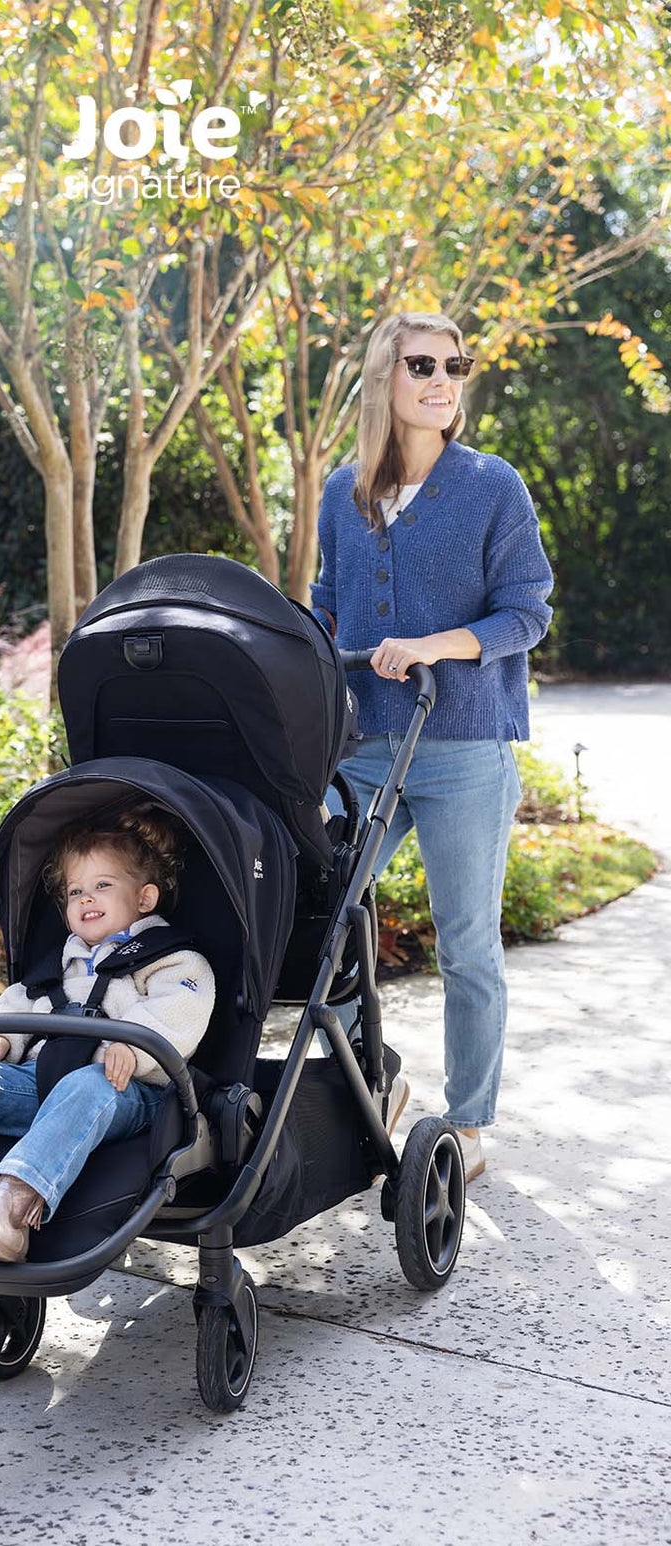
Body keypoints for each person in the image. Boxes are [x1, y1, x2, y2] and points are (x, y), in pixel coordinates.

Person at [311, 311, 554, 1183]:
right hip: (363, 748)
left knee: (466, 946)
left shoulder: (493, 486)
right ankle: (371, 1083)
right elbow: (328, 601)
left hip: (462, 746)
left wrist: (432, 645)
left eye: (456, 364)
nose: (444, 379)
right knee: (318, 914)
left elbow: (528, 610)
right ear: (385, 376)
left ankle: (470, 1123)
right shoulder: (345, 491)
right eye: (423, 364)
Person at [0, 805, 215, 1260]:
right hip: (43, 1084)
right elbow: (17, 1003)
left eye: (103, 886)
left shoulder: (171, 959)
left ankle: (11, 1210)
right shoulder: (58, 965)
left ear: (145, 899)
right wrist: (2, 1039)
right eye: (76, 891)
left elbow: (181, 1012)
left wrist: (133, 1045)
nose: (87, 899)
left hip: (128, 1093)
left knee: (87, 1083)